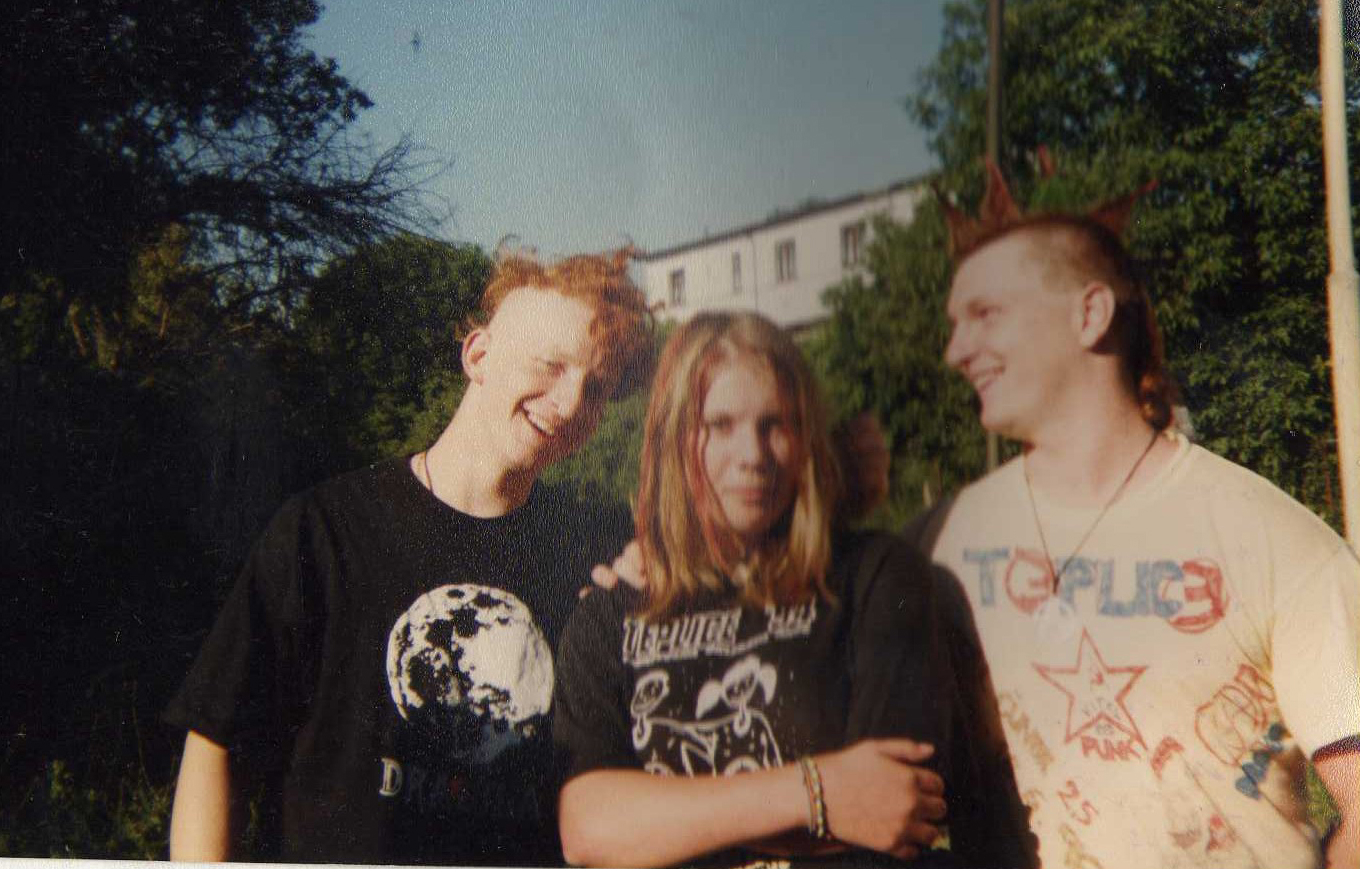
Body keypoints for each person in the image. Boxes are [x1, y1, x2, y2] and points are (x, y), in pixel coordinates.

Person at [911, 161, 1360, 869]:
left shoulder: (1273, 540)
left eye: (986, 314)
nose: (956, 351)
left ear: (1089, 314)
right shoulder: (940, 547)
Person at [164, 247, 653, 864]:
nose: (572, 401)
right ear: (478, 355)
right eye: (551, 365)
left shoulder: (599, 553)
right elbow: (215, 746)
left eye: (597, 388)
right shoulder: (324, 529)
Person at [554, 311, 1036, 868]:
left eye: (774, 425)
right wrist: (817, 790)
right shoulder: (610, 614)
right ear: (675, 439)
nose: (753, 456)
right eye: (720, 425)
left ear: (806, 437)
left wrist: (665, 824)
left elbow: (892, 810)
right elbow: (589, 829)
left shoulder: (876, 579)